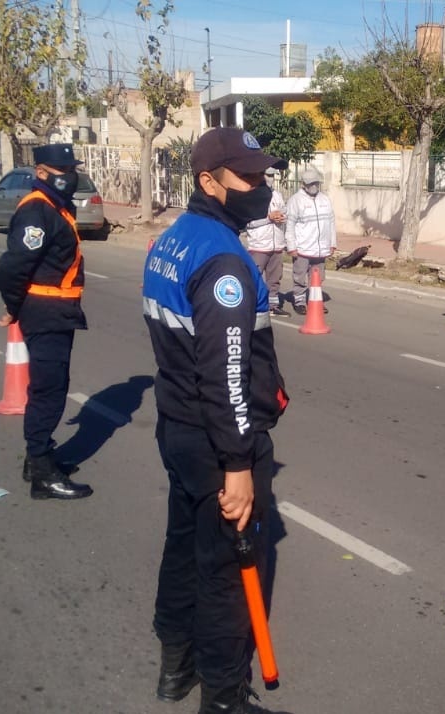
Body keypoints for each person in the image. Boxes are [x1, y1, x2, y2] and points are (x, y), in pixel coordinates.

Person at [142, 127, 291, 714]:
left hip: (178, 428)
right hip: (216, 441)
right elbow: (227, 373)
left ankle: (174, 668)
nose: (259, 186)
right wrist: (237, 464)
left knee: (183, 546)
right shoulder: (224, 260)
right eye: (246, 177)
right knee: (227, 573)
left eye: (261, 174)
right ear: (209, 181)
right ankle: (224, 699)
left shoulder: (174, 238)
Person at [0, 143, 93, 500]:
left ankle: (36, 458)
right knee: (48, 391)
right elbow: (12, 267)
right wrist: (14, 306)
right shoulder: (37, 210)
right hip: (46, 311)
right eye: (61, 170)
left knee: (50, 387)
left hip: (57, 310)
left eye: (71, 169)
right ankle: (41, 473)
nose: (69, 176)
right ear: (40, 172)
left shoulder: (55, 205)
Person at [285, 167, 336, 315]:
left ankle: (315, 301)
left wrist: (332, 243)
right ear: (303, 184)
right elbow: (289, 226)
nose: (313, 186)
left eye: (315, 183)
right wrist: (291, 246)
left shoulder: (324, 200)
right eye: (310, 183)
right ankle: (300, 301)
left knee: (318, 278)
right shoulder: (295, 201)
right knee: (300, 277)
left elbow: (331, 222)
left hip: (320, 248)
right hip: (303, 248)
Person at [245, 168, 290, 317]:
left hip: (277, 244)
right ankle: (251, 305)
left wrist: (281, 217)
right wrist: (268, 218)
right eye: (268, 175)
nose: (271, 179)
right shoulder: (252, 196)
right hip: (259, 245)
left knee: (275, 278)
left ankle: (272, 305)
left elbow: (285, 213)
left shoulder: (277, 195)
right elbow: (249, 222)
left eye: (273, 176)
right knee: (254, 277)